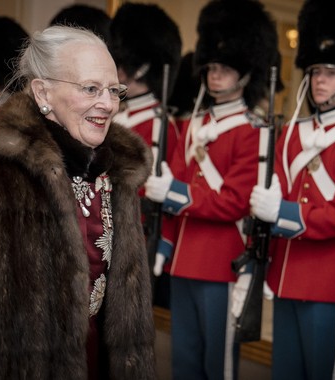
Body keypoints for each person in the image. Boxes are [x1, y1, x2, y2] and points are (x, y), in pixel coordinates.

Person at [0, 25, 156, 379]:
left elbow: (127, 313)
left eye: (114, 90)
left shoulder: (118, 172)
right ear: (43, 92)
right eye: (90, 88)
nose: (108, 103)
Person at [248, 0, 335, 378]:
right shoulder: (293, 132)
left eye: (331, 72)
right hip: (286, 273)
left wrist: (281, 213)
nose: (319, 80)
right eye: (314, 71)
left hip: (330, 280)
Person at [144, 0, 281, 378]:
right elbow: (185, 186)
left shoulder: (254, 132)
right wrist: (167, 243)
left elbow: (232, 203)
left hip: (223, 264)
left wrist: (172, 193)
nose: (216, 75)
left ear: (245, 74)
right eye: (213, 67)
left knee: (217, 365)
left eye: (225, 68)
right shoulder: (193, 125)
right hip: (184, 261)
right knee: (184, 360)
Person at [108, 2, 182, 307]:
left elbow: (160, 190)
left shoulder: (162, 124)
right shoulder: (117, 116)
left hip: (134, 236)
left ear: (142, 66)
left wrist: (161, 244)